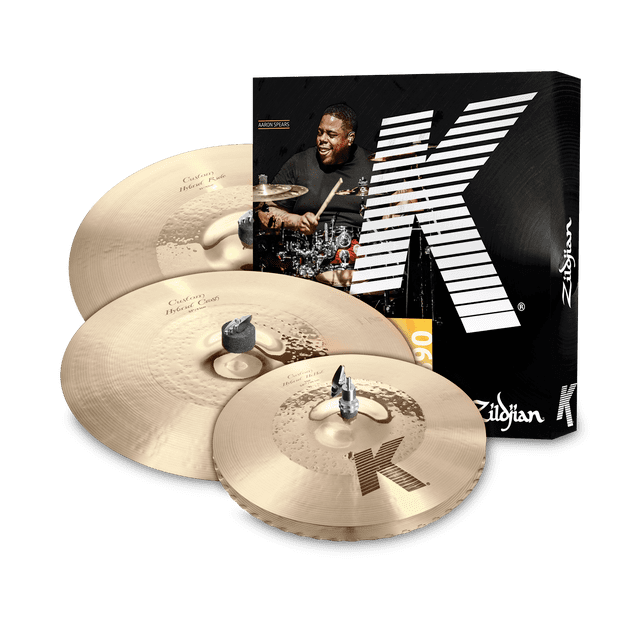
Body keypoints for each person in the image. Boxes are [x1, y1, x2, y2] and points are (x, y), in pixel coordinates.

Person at [257, 103, 373, 235]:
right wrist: (297, 222)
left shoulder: (373, 165)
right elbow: (267, 212)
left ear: (350, 138)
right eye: (320, 133)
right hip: (310, 244)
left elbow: (392, 207)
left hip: (361, 244)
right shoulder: (299, 163)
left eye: (331, 135)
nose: (322, 139)